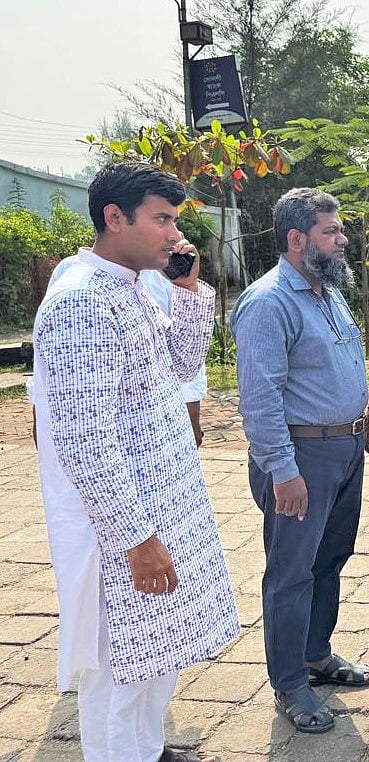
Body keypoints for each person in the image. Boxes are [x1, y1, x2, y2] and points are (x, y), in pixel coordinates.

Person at [31, 161, 237, 762]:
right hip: (123, 525)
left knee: (158, 648)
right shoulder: (78, 304)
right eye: (162, 220)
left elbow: (178, 366)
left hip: (164, 501)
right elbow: (86, 443)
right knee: (118, 666)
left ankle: (149, 749)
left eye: (175, 221)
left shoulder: (131, 288)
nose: (174, 235)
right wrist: (137, 539)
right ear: (113, 219)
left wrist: (189, 289)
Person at [231, 188, 369, 735]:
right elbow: (259, 396)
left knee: (331, 558)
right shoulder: (269, 302)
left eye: (340, 231)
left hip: (345, 449)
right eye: (330, 232)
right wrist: (282, 470)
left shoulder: (328, 291)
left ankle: (317, 657)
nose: (342, 240)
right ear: (296, 240)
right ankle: (290, 683)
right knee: (291, 573)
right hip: (300, 457)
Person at [139, 269, 209, 446]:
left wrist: (193, 421)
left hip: (171, 396)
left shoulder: (168, 274)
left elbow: (187, 355)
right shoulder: (74, 275)